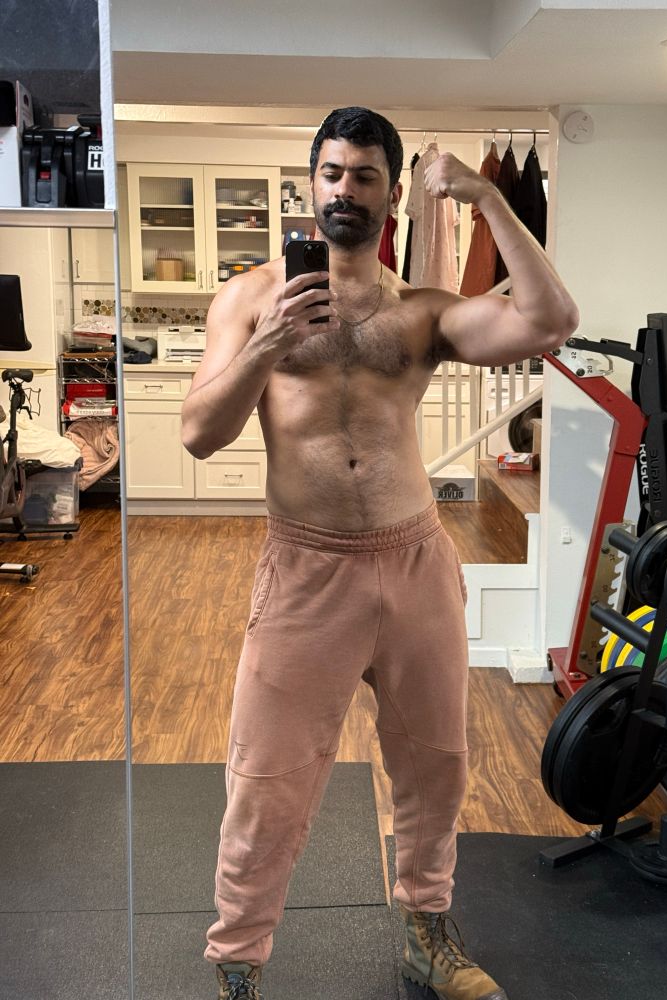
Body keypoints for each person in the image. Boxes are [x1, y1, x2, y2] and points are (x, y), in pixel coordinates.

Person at [181, 106, 579, 1000]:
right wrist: (268, 346)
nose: (344, 190)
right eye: (330, 173)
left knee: (436, 763)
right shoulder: (248, 300)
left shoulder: (422, 313)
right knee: (268, 778)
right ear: (308, 184)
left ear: (393, 193)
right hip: (305, 570)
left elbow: (551, 319)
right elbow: (200, 433)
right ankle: (238, 963)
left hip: (413, 564)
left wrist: (486, 198)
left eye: (364, 176)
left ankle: (426, 938)